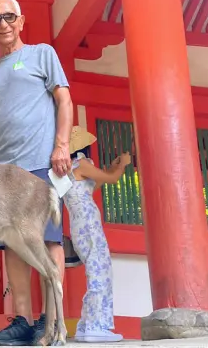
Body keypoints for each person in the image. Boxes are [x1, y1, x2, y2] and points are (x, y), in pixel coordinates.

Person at [0, 0, 73, 346]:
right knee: (12, 244)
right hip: (2, 173)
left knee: (49, 240)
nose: (3, 24)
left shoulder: (43, 54)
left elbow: (63, 99)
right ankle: (24, 321)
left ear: (21, 20)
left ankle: (54, 320)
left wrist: (61, 145)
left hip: (42, 162)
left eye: (9, 17)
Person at [64, 126, 130, 343]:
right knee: (100, 271)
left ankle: (86, 325)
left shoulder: (68, 168)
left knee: (95, 269)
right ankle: (96, 325)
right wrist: (124, 165)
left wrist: (112, 168)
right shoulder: (82, 164)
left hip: (78, 223)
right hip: (89, 221)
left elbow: (96, 183)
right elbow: (111, 180)